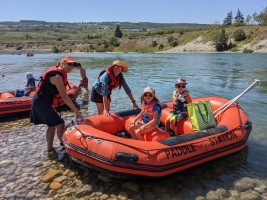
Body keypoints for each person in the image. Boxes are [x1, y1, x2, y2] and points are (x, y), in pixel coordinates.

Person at [30, 56, 83, 152]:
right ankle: (64, 144)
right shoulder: (57, 76)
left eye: (74, 65)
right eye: (69, 64)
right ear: (62, 63)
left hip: (45, 101)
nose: (71, 67)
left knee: (52, 124)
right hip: (41, 102)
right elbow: (64, 96)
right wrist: (76, 111)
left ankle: (50, 148)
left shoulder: (60, 73)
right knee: (59, 123)